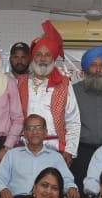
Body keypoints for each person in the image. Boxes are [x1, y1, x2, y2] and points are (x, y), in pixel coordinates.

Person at [16, 21, 80, 161]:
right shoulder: (21, 82)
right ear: (33, 57)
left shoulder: (64, 84)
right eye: (38, 54)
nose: (43, 59)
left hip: (55, 148)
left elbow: (73, 121)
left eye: (47, 55)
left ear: (53, 58)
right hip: (24, 147)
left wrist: (69, 150)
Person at [0, 113, 78, 198]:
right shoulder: (12, 155)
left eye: (39, 128)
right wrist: (3, 189)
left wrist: (71, 188)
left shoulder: (56, 157)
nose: (35, 132)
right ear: (24, 133)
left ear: (45, 132)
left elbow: (67, 180)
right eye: (30, 128)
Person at [71, 45, 102, 188]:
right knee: (81, 192)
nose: (98, 69)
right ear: (86, 68)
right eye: (93, 65)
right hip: (81, 153)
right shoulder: (74, 92)